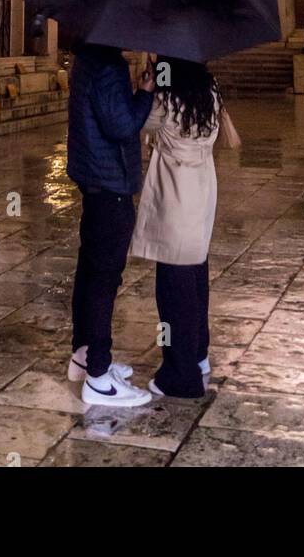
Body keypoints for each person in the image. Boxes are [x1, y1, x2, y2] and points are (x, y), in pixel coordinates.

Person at [66, 42, 155, 407]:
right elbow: (122, 126)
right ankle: (99, 378)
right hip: (111, 184)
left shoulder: (86, 59)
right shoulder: (108, 66)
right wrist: (144, 93)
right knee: (105, 279)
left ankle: (83, 356)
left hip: (93, 179)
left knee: (89, 271)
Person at [130, 58, 221, 399]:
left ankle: (180, 375)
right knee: (196, 278)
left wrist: (147, 87)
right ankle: (198, 354)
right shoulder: (210, 92)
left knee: (174, 290)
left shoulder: (166, 101)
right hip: (201, 192)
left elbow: (142, 125)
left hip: (174, 198)